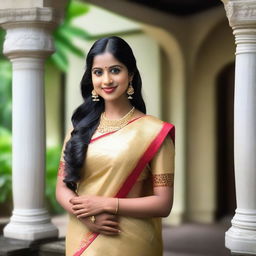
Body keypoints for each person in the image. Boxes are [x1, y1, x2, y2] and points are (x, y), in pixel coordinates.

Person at [56, 36, 175, 256]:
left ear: (130, 74)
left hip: (131, 240)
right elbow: (62, 188)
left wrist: (106, 204)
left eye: (115, 70)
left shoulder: (155, 132)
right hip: (82, 236)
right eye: (98, 72)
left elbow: (163, 203)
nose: (106, 80)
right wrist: (88, 217)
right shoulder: (78, 130)